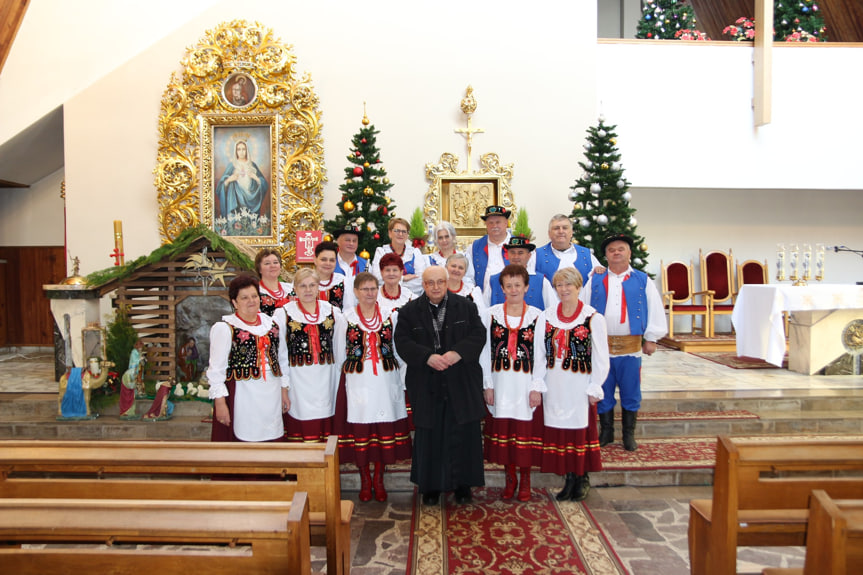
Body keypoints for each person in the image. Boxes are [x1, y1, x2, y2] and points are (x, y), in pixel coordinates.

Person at [394, 266, 487, 505]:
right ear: (423, 285)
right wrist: (426, 356)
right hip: (426, 380)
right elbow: (402, 342)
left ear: (447, 283)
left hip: (461, 378)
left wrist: (458, 353)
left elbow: (478, 335)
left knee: (463, 432)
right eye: (430, 283)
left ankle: (463, 485)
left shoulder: (466, 306)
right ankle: (430, 486)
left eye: (440, 282)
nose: (435, 287)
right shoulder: (408, 311)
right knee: (430, 435)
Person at [584, 234, 666, 451]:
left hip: (630, 348)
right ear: (606, 255)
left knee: (631, 390)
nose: (616, 253)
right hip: (602, 348)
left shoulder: (642, 280)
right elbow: (582, 309)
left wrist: (651, 338)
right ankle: (607, 431)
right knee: (604, 389)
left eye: (621, 249)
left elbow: (654, 308)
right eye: (611, 250)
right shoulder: (594, 280)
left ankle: (629, 434)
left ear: (629, 253)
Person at [335, 272, 411, 502]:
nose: (369, 293)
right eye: (364, 289)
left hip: (386, 380)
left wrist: (401, 380)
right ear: (356, 292)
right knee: (363, 431)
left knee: (381, 430)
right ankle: (364, 480)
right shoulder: (345, 318)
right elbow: (340, 353)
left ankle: (379, 478)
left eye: (372, 289)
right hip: (358, 381)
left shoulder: (390, 316)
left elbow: (399, 351)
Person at [536, 267, 609, 501]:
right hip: (554, 382)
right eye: (559, 285)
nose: (564, 289)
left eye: (569, 284)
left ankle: (581, 477)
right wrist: (537, 383)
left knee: (579, 431)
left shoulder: (592, 318)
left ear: (578, 287)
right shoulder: (546, 317)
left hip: (579, 383)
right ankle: (568, 477)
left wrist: (596, 385)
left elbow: (600, 356)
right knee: (560, 431)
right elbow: (538, 353)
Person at [482, 264, 546, 502]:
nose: (513, 289)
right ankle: (510, 479)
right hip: (500, 382)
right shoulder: (491, 314)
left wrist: (536, 386)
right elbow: (484, 351)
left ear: (527, 287)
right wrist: (487, 384)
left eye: (518, 284)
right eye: (508, 285)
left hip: (525, 383)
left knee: (524, 434)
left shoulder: (538, 316)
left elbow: (541, 354)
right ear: (502, 288)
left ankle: (526, 480)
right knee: (506, 433)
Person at [206, 274, 290, 442]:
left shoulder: (272, 324)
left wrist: (284, 390)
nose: (251, 301)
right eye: (244, 298)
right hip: (243, 395)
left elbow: (282, 359)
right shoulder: (225, 328)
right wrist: (220, 403)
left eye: (254, 296)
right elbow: (216, 370)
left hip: (271, 394)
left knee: (272, 438)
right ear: (234, 302)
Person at [283, 268, 344, 443]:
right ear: (295, 288)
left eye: (312, 285)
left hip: (327, 377)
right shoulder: (284, 313)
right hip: (298, 379)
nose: (308, 290)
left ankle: (326, 465)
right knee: (303, 421)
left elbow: (340, 346)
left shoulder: (331, 311)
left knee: (326, 418)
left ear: (318, 287)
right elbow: (280, 352)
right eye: (303, 286)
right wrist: (284, 385)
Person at [485, 235, 558, 309]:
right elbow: (483, 312)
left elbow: (552, 311)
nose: (516, 256)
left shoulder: (541, 282)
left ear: (529, 255)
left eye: (520, 253)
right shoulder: (493, 281)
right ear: (507, 255)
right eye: (512, 252)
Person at [534, 214, 603, 285]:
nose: (561, 231)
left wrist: (599, 270)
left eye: (565, 228)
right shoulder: (537, 255)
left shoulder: (586, 254)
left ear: (571, 232)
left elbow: (600, 277)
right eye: (556, 228)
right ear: (549, 233)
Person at [215, 140, 269, 225]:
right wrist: (229, 180)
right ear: (235, 151)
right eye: (239, 149)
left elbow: (265, 185)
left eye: (243, 149)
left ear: (247, 150)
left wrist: (256, 178)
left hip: (252, 203)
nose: (241, 152)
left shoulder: (252, 166)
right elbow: (219, 188)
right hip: (235, 203)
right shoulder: (232, 166)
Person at [371, 217, 428, 295]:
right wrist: (403, 278)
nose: (401, 234)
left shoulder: (415, 252)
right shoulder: (381, 252)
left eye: (404, 231)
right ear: (390, 233)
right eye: (397, 231)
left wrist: (393, 282)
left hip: (412, 298)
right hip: (387, 299)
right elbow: (377, 278)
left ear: (407, 234)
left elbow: (421, 280)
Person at [466, 205, 511, 294]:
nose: (494, 226)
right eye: (490, 223)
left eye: (498, 222)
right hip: (483, 302)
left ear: (506, 223)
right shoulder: (475, 247)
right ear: (486, 224)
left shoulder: (518, 246)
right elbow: (468, 276)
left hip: (512, 299)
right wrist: (475, 295)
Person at [307, 241, 355, 310]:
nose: (328, 263)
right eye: (323, 260)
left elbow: (348, 310)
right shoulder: (304, 281)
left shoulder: (343, 281)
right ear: (315, 260)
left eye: (332, 260)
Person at [256, 247, 293, 316]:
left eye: (275, 262)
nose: (272, 266)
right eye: (267, 263)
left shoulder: (290, 288)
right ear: (259, 269)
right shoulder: (255, 292)